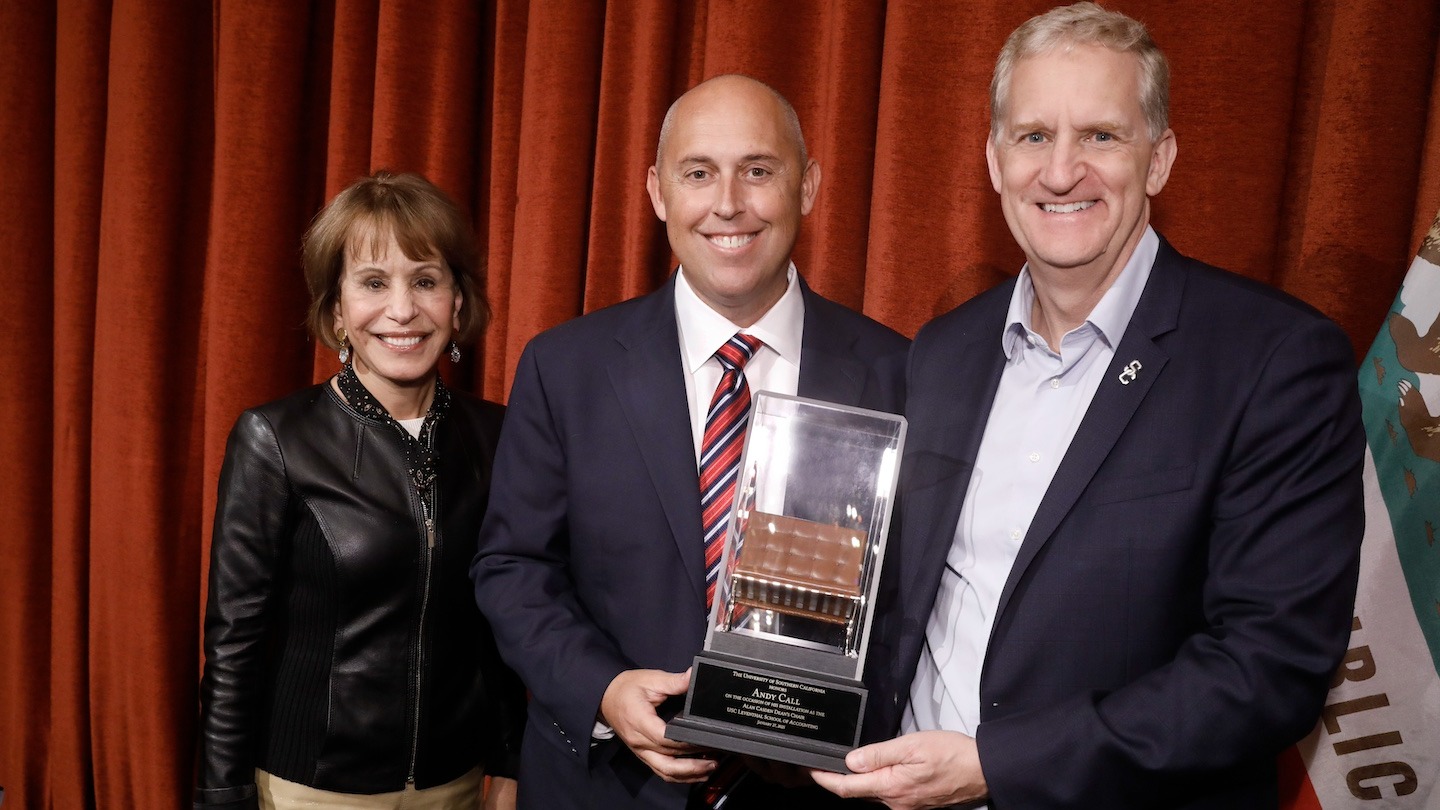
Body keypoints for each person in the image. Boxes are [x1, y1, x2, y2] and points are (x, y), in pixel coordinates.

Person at [812, 4, 1366, 808]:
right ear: (995, 160)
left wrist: (999, 764)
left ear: (1161, 159)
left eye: (1101, 136)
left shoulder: (1274, 361)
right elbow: (900, 600)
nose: (1061, 171)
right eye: (1033, 136)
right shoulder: (942, 352)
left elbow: (1268, 669)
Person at [471, 74, 908, 809]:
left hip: (813, 794)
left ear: (808, 187)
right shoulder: (566, 366)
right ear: (657, 192)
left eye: (759, 171)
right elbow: (512, 567)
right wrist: (603, 690)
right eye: (698, 173)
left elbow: (914, 600)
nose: (728, 202)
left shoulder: (899, 374)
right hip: (606, 789)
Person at [194, 171, 526, 810]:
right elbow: (234, 644)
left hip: (455, 784)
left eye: (425, 281)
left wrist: (508, 763)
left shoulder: (498, 435)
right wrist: (221, 795)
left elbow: (501, 623)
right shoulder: (273, 438)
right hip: (311, 789)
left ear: (457, 303)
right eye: (374, 283)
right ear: (337, 309)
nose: (402, 310)